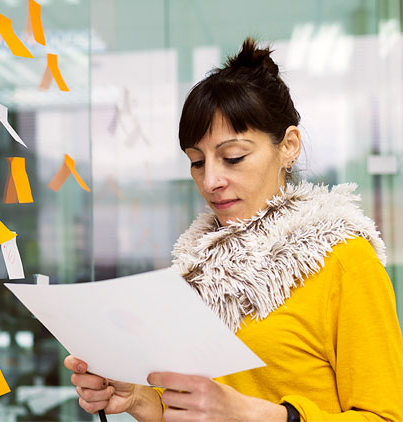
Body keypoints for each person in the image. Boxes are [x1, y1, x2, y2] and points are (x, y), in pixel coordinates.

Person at [64, 38, 403, 421]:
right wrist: (138, 399)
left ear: (289, 145)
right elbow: (188, 410)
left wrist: (264, 415)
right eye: (196, 162)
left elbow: (386, 416)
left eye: (233, 157)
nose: (210, 181)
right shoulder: (195, 268)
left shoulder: (343, 261)